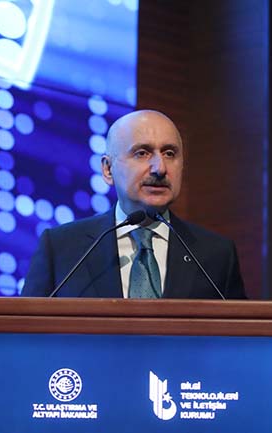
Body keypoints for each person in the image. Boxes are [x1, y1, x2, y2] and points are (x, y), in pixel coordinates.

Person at [21, 109, 246, 299]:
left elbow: (240, 334)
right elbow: (25, 329)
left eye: (169, 153)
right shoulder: (61, 248)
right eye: (142, 153)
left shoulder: (216, 255)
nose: (160, 168)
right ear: (108, 169)